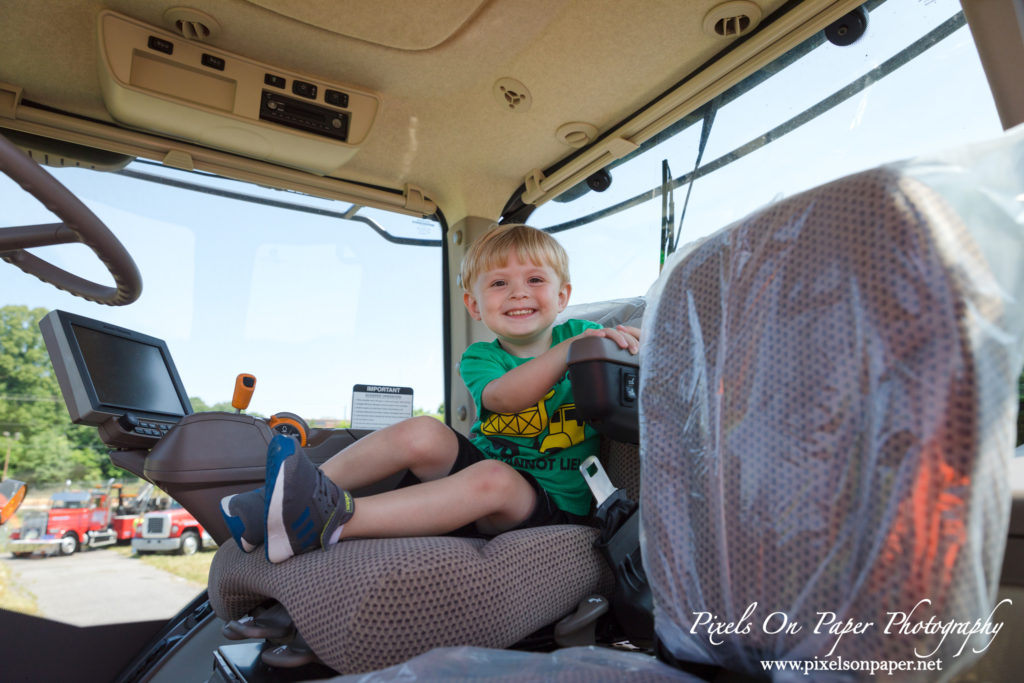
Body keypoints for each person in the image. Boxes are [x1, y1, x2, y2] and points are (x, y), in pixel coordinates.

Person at [221, 223, 640, 563]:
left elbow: (651, 352)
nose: (518, 292)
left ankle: (327, 520)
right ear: (474, 306)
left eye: (534, 279)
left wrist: (632, 339)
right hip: (478, 476)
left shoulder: (585, 338)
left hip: (553, 504)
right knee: (423, 430)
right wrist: (570, 352)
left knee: (494, 478)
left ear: (563, 295)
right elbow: (506, 399)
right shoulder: (480, 358)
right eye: (498, 284)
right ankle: (282, 500)